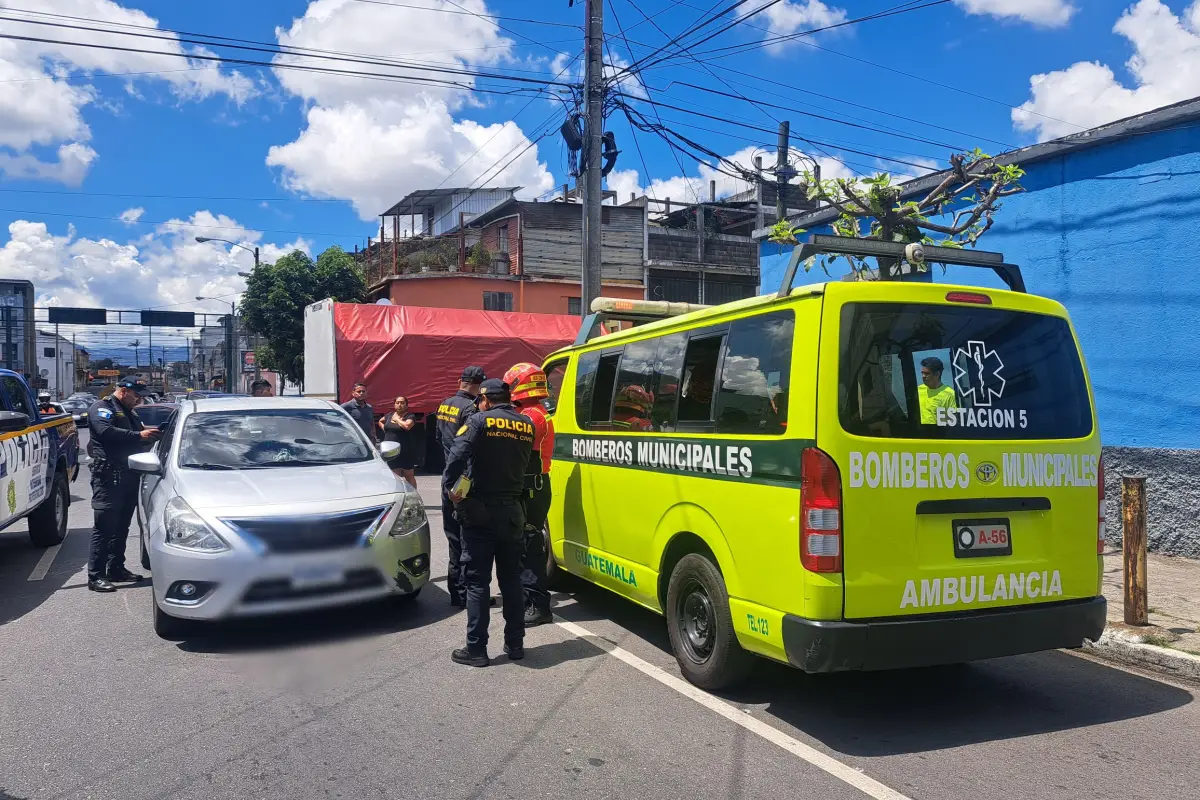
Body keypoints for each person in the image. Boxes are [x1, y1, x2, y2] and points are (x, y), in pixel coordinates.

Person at [444, 378, 534, 667]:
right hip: (512, 512)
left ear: (485, 399)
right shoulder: (526, 424)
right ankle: (516, 644)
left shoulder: (480, 421)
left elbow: (456, 457)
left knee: (477, 582)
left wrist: (451, 489)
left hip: (480, 512)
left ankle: (476, 649)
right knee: (511, 580)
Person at [86, 379, 160, 593]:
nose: (140, 399)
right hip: (108, 477)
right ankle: (96, 576)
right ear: (124, 391)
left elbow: (139, 436)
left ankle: (116, 568)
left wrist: (152, 433)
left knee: (121, 527)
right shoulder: (102, 408)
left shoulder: (129, 412)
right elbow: (105, 432)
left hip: (128, 475)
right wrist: (139, 435)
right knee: (104, 527)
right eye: (136, 395)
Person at [503, 362, 555, 626]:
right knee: (521, 545)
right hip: (526, 486)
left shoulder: (533, 416)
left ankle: (538, 604)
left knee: (531, 545)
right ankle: (526, 597)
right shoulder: (527, 411)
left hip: (532, 487)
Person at [435, 366, 486, 607]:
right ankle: (466, 593)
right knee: (468, 538)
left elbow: (440, 440)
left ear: (460, 380)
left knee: (453, 536)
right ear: (479, 386)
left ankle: (456, 591)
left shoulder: (444, 403)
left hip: (447, 476)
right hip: (464, 481)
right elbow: (471, 447)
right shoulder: (470, 409)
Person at [378, 395, 419, 488]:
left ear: (406, 405)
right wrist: (384, 428)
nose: (399, 405)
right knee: (394, 476)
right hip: (391, 451)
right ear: (394, 404)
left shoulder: (410, 416)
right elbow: (380, 421)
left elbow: (407, 426)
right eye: (397, 403)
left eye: (402, 403)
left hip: (405, 451)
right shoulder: (389, 415)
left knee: (408, 475)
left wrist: (397, 420)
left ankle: (414, 496)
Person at [918, 356, 958, 425]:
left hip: (936, 434)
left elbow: (952, 423)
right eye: (922, 373)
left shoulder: (950, 394)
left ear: (937, 374)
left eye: (927, 373)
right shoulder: (918, 390)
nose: (923, 376)